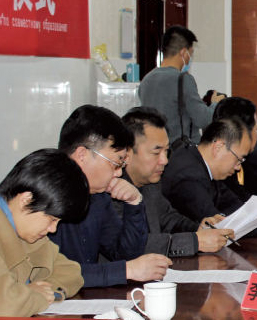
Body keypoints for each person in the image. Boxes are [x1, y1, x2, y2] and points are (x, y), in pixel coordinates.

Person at [50, 106, 171, 286]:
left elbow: (124, 254)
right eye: (115, 163)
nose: (119, 173)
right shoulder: (46, 193)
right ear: (82, 155)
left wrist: (134, 203)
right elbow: (53, 273)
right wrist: (126, 270)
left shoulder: (98, 196)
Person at [0, 150, 87, 317]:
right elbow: (0, 304)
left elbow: (72, 272)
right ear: (26, 199)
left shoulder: (24, 229)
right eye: (51, 219)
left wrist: (45, 293)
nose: (53, 229)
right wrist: (35, 296)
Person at [120, 107, 234, 257]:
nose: (164, 160)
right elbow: (130, 245)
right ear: (127, 153)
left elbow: (169, 219)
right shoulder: (111, 189)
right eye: (156, 152)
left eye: (166, 151)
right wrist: (195, 241)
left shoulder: (150, 183)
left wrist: (200, 229)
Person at [161, 117, 257, 235]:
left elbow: (233, 206)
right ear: (218, 147)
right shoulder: (188, 175)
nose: (238, 167)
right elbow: (217, 225)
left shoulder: (205, 165)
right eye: (238, 159)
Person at [138, 25, 226, 145]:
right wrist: (216, 104)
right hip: (182, 150)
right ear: (184, 52)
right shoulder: (183, 79)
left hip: (156, 148)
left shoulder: (146, 80)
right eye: (191, 54)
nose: (190, 59)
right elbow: (203, 119)